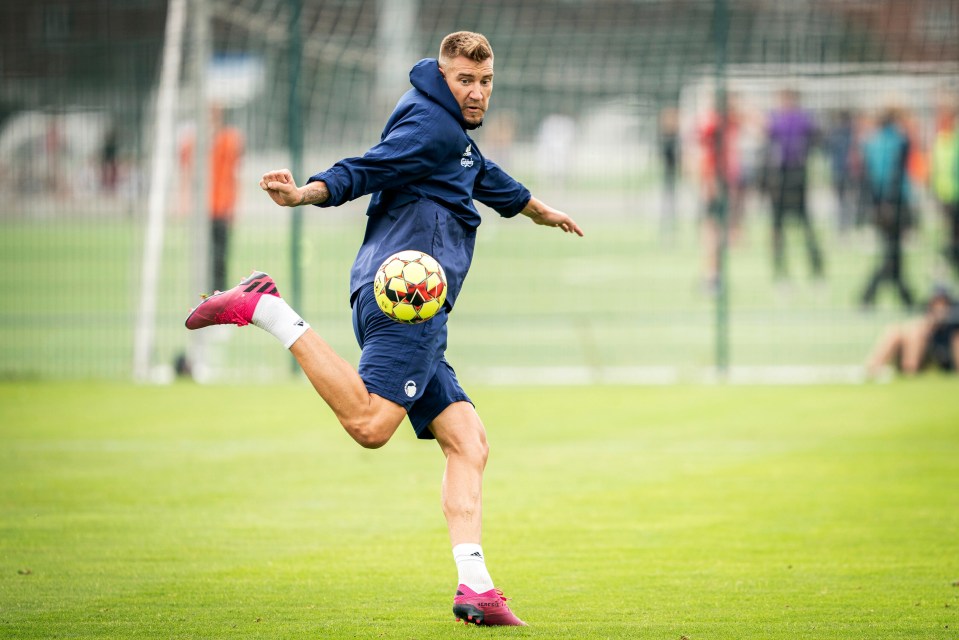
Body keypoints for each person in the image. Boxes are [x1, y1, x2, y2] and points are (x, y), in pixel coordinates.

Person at [185, 31, 583, 626]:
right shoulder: (432, 126)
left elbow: (481, 172)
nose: (477, 92)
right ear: (443, 78)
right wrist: (305, 194)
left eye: (486, 81)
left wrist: (536, 208)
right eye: (466, 81)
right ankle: (266, 307)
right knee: (372, 424)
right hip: (409, 298)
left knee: (468, 441)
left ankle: (475, 587)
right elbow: (367, 168)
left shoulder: (450, 134)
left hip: (413, 300)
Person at [178, 106, 245, 292]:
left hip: (221, 207)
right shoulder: (193, 141)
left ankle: (219, 298)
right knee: (201, 258)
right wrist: (184, 202)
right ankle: (203, 298)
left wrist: (234, 207)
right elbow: (184, 170)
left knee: (220, 260)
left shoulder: (230, 139)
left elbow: (236, 174)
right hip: (201, 210)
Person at [763, 88, 824, 282]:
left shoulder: (802, 120)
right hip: (778, 179)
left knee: (805, 227)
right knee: (777, 228)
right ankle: (781, 272)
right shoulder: (775, 119)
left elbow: (815, 141)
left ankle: (816, 269)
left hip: (796, 177)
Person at [859, 106, 914, 309]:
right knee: (893, 253)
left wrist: (875, 205)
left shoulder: (871, 143)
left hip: (879, 205)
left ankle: (904, 296)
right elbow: (894, 175)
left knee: (893, 252)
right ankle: (869, 295)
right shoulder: (898, 141)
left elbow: (869, 179)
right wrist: (889, 203)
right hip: (896, 204)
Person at [866, 287, 959, 377]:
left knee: (916, 334)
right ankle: (872, 368)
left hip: (941, 357)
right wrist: (931, 324)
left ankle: (909, 372)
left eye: (943, 303)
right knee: (895, 331)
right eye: (936, 303)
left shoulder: (953, 324)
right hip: (924, 351)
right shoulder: (927, 322)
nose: (939, 307)